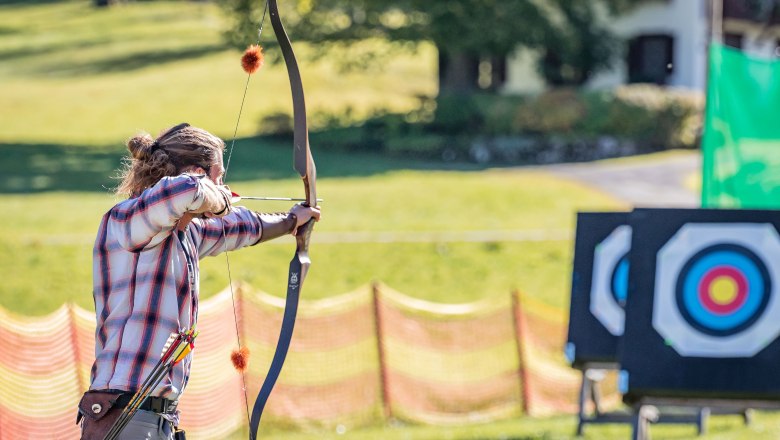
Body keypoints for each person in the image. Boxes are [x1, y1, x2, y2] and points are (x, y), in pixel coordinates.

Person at [76, 123, 320, 440]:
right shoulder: (126, 219)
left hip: (152, 417)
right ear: (197, 173)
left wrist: (292, 221)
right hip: (124, 416)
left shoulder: (186, 231)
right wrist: (217, 198)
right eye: (219, 177)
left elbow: (240, 227)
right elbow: (185, 191)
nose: (224, 186)